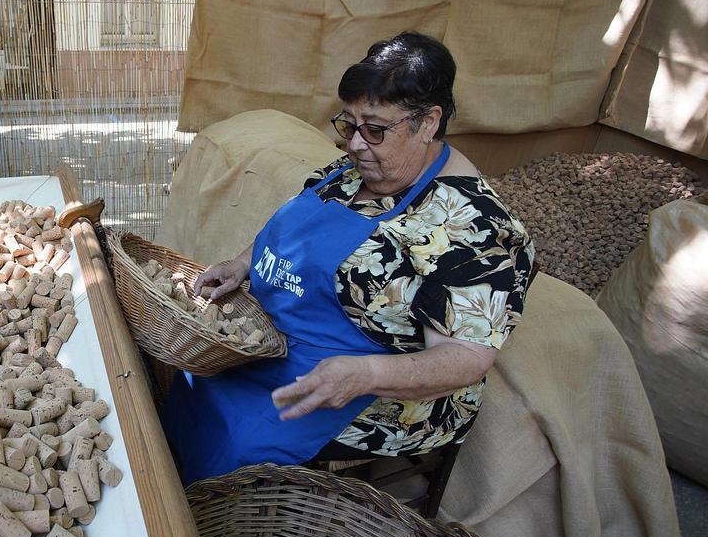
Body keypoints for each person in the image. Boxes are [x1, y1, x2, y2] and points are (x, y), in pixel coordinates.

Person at [161, 32, 536, 484]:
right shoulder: (351, 170)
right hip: (267, 349)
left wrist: (366, 373)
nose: (355, 143)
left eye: (375, 129)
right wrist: (243, 262)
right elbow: (287, 227)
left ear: (429, 122)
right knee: (181, 379)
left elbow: (465, 358)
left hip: (373, 396)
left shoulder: (474, 227)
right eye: (349, 124)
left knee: (238, 441)